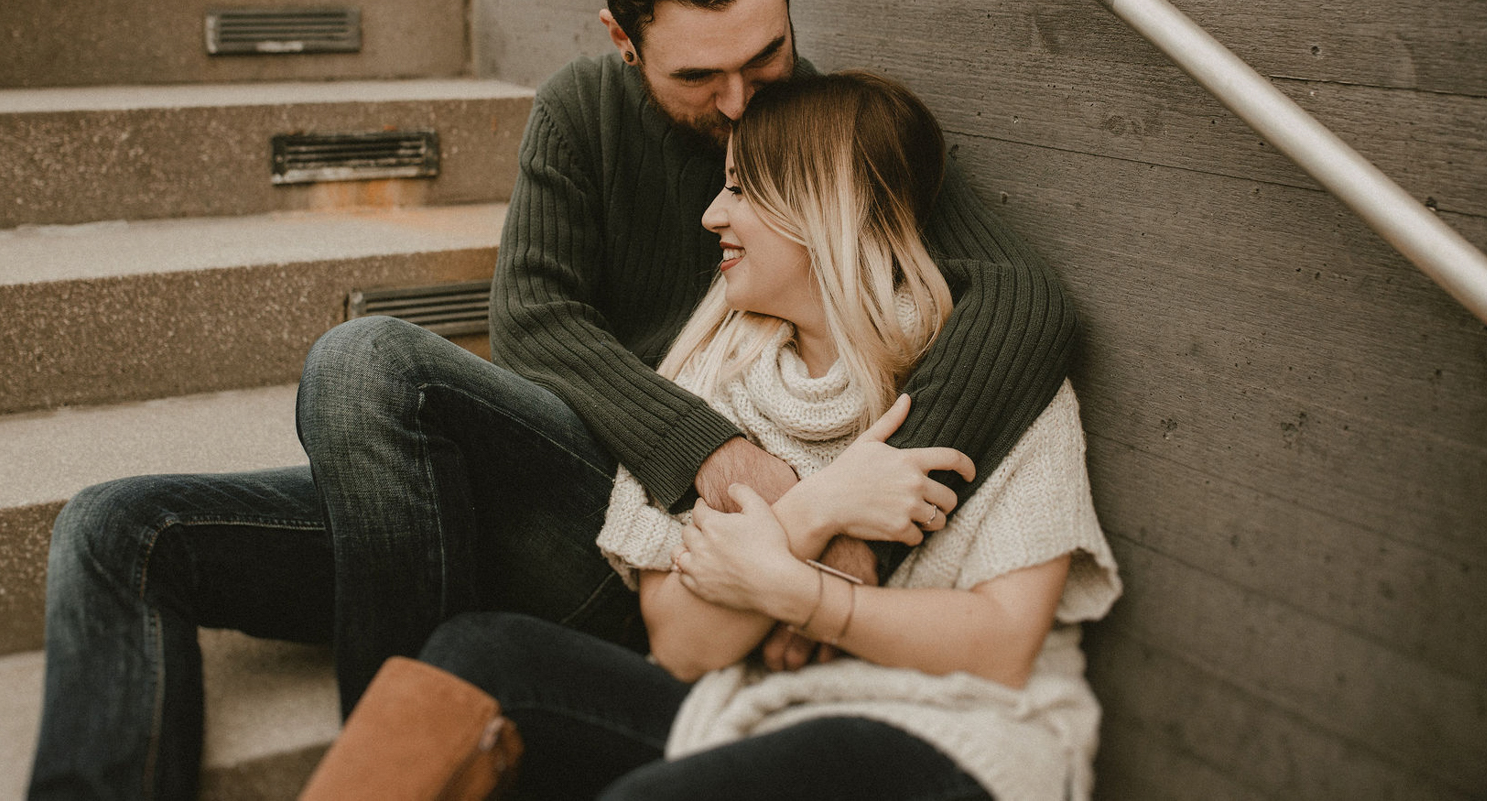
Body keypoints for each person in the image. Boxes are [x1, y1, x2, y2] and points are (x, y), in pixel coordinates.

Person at [26, 0, 1077, 800]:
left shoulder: (829, 138)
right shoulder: (583, 110)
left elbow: (1025, 297)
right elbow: (531, 322)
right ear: (624, 41)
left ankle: (410, 761)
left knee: (365, 361)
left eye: (764, 55)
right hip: (581, 494)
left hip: (651, 561)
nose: (743, 103)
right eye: (698, 78)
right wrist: (716, 452)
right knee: (121, 526)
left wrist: (849, 520)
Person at [390, 72, 1120, 801]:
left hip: (948, 725)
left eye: (739, 189)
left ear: (820, 207)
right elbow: (679, 645)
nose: (712, 214)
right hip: (750, 703)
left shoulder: (991, 376)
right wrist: (818, 509)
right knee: (476, 654)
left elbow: (1000, 646)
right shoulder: (711, 375)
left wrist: (794, 591)